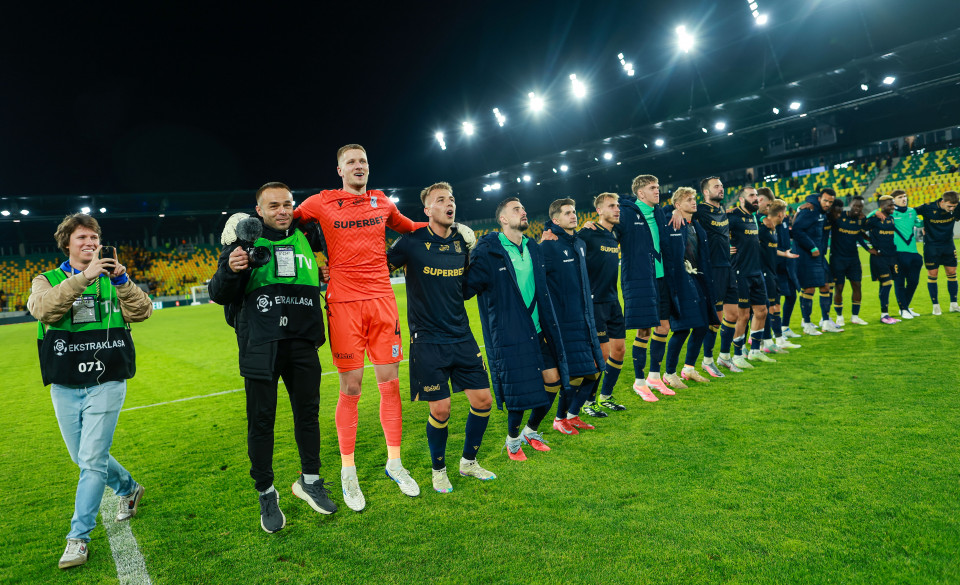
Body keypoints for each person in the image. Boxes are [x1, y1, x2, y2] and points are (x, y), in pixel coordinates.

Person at [293, 144, 442, 510]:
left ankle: (395, 463)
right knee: (352, 387)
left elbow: (411, 228)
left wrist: (447, 228)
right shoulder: (321, 202)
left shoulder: (382, 202)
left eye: (363, 161)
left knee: (390, 384)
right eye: (351, 162)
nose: (358, 166)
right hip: (343, 304)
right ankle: (349, 471)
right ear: (340, 170)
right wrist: (311, 260)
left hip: (382, 301)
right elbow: (286, 224)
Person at [209, 182, 337, 533]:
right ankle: (266, 492)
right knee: (262, 422)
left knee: (308, 415)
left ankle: (311, 481)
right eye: (274, 206)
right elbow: (219, 293)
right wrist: (231, 268)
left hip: (302, 342)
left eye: (287, 204)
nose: (282, 211)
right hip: (260, 345)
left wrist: (321, 273)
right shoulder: (243, 242)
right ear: (259, 211)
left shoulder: (306, 238)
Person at [28, 213, 152, 569]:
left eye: (94, 237)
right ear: (67, 243)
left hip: (108, 379)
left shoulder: (115, 279)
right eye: (82, 237)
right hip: (65, 383)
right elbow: (43, 310)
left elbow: (143, 312)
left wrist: (123, 280)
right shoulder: (45, 279)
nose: (90, 243)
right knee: (81, 457)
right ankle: (128, 488)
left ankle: (78, 538)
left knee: (93, 459)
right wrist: (84, 278)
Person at [386, 182, 496, 493]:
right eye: (441, 200)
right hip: (427, 340)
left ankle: (469, 463)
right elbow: (379, 269)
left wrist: (477, 259)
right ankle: (439, 470)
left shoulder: (462, 241)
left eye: (452, 199)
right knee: (441, 409)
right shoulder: (411, 242)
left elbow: (464, 288)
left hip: (461, 335)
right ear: (427, 210)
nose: (450, 204)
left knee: (483, 401)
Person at [465, 197, 569, 461]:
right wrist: (462, 256)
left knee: (554, 381)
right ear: (503, 219)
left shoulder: (532, 247)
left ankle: (530, 431)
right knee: (519, 390)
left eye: (523, 208)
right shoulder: (489, 251)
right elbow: (467, 289)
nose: (523, 212)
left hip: (538, 330)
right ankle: (512, 440)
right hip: (511, 333)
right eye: (516, 209)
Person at [539, 198, 604, 435]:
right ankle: (560, 418)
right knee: (575, 374)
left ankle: (572, 414)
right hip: (565, 321)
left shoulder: (579, 243)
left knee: (595, 370)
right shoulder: (548, 246)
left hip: (585, 318)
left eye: (574, 211)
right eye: (567, 213)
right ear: (555, 220)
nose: (573, 215)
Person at [669, 177, 741, 376]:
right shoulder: (699, 210)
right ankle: (707, 360)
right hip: (712, 269)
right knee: (714, 319)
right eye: (716, 186)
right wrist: (674, 211)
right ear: (706, 192)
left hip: (727, 266)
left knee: (733, 315)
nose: (721, 189)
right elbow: (675, 209)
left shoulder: (722, 210)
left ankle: (724, 356)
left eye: (722, 185)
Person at [619, 175, 674, 400]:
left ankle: (654, 377)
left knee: (664, 327)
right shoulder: (626, 213)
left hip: (661, 277)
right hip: (641, 279)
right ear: (640, 193)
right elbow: (609, 230)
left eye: (658, 187)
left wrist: (678, 212)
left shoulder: (658, 211)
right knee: (644, 330)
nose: (657, 191)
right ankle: (639, 382)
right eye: (652, 188)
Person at [659, 187, 717, 386]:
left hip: (698, 279)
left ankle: (689, 368)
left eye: (694, 198)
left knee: (702, 326)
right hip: (680, 282)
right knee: (682, 328)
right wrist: (672, 211)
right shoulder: (671, 221)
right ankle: (669, 373)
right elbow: (660, 213)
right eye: (688, 200)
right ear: (677, 205)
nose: (694, 202)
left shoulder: (696, 225)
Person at [577, 193, 628, 414]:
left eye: (617, 206)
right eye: (611, 206)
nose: (617, 209)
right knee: (602, 355)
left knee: (619, 350)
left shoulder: (615, 233)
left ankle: (606, 396)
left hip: (613, 300)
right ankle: (587, 402)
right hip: (594, 302)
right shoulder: (587, 233)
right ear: (599, 210)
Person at [724, 187, 773, 369]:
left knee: (762, 311)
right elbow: (712, 232)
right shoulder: (732, 217)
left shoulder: (753, 217)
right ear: (741, 200)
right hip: (740, 272)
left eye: (756, 196)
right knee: (743, 315)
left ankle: (755, 351)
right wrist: (724, 246)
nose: (756, 199)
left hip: (756, 272)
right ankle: (737, 355)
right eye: (752, 196)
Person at [793, 188, 843, 335]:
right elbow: (797, 230)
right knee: (809, 288)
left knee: (826, 286)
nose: (827, 204)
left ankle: (826, 322)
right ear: (820, 199)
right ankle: (806, 323)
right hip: (806, 255)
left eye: (830, 202)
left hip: (818, 256)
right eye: (825, 200)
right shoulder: (810, 210)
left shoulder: (821, 211)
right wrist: (812, 247)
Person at [756, 191, 801, 352]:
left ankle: (776, 339)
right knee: (767, 308)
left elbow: (772, 249)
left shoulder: (772, 228)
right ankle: (765, 341)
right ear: (781, 214)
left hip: (771, 271)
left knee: (774, 306)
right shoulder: (763, 228)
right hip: (763, 271)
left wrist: (785, 254)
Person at [828, 196, 875, 326]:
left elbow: (859, 235)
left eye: (860, 206)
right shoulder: (839, 216)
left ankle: (855, 316)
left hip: (853, 259)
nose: (857, 209)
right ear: (850, 204)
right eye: (855, 205)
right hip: (837, 259)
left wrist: (868, 249)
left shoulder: (861, 220)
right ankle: (839, 316)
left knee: (857, 285)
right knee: (839, 288)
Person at [913, 190, 960, 314]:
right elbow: (910, 212)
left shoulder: (957, 207)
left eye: (954, 207)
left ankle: (954, 304)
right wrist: (920, 224)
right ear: (942, 201)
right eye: (949, 206)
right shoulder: (928, 207)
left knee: (952, 272)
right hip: (931, 246)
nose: (952, 209)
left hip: (948, 245)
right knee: (933, 274)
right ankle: (936, 306)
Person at [865, 195, 904, 324]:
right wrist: (868, 246)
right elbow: (859, 230)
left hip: (892, 256)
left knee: (885, 284)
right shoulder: (874, 219)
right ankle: (884, 315)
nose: (893, 207)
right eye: (890, 205)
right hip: (879, 257)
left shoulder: (891, 219)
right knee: (887, 284)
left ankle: (886, 314)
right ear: (882, 206)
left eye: (893, 204)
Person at [889, 190, 924, 319]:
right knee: (899, 282)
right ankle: (903, 309)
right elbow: (870, 217)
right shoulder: (889, 213)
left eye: (904, 196)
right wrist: (876, 212)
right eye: (900, 197)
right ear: (893, 200)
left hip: (913, 253)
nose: (904, 199)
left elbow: (919, 223)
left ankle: (905, 307)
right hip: (897, 253)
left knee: (913, 282)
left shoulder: (912, 211)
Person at [777, 208, 802, 339]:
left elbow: (791, 233)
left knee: (792, 296)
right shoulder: (767, 221)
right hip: (774, 265)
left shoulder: (785, 220)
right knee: (772, 302)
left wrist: (797, 213)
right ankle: (768, 332)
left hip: (787, 264)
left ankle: (784, 327)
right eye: (782, 210)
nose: (785, 213)